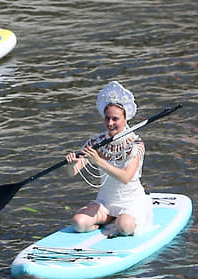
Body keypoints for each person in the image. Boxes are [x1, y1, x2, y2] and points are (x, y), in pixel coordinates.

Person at [64, 81, 153, 236]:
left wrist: (98, 161)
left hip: (131, 202)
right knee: (78, 223)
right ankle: (103, 223)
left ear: (125, 119)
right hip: (105, 202)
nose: (110, 123)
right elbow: (73, 173)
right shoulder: (95, 142)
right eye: (107, 118)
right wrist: (71, 164)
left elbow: (125, 177)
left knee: (125, 227)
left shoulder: (135, 144)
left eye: (115, 119)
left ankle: (120, 222)